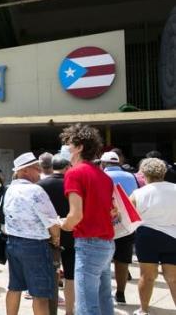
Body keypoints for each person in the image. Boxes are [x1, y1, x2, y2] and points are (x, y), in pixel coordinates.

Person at [60, 124, 116, 315]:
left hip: (89, 244)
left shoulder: (74, 173)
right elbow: (111, 211)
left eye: (69, 143)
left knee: (86, 304)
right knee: (104, 298)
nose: (66, 148)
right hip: (107, 243)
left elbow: (75, 216)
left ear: (80, 147)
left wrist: (62, 224)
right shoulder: (104, 177)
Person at [4, 152, 61, 315]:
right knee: (40, 294)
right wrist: (56, 239)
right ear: (25, 171)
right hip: (35, 245)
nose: (40, 172)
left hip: (13, 243)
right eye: (37, 169)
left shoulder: (10, 189)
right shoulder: (36, 190)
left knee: (14, 287)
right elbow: (53, 223)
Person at [130, 158, 176, 315]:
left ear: (143, 174)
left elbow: (129, 216)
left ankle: (143, 310)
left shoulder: (138, 193)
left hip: (147, 236)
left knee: (147, 276)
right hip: (173, 235)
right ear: (164, 172)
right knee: (173, 277)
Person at [38, 154, 75, 315]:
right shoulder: (73, 184)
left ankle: (51, 309)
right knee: (70, 275)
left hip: (47, 234)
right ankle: (69, 311)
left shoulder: (41, 185)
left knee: (50, 273)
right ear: (67, 167)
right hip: (70, 232)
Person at [101, 150, 139, 305]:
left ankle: (105, 293)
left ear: (103, 163)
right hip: (126, 223)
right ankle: (121, 293)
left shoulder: (102, 176)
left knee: (103, 260)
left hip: (106, 222)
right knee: (122, 260)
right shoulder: (131, 176)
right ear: (119, 163)